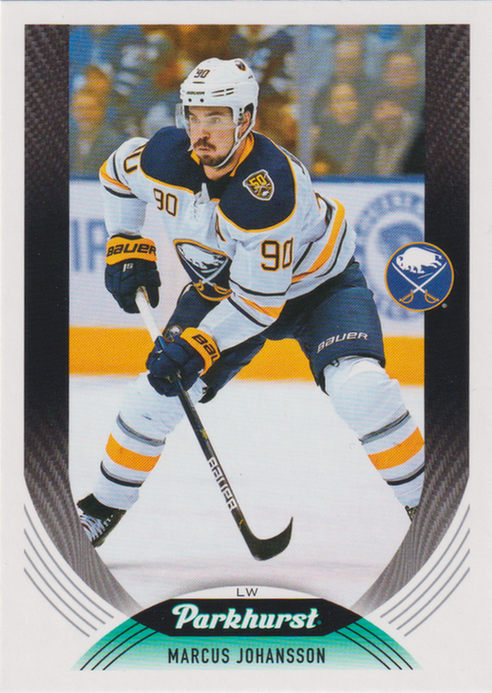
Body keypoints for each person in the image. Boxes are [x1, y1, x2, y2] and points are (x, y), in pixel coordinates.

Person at [76, 58, 425, 547]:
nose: (201, 132)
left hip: (319, 290)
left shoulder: (270, 189)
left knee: (360, 388)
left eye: (216, 117)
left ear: (246, 118)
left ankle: (429, 508)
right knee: (155, 394)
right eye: (194, 115)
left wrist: (200, 344)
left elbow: (260, 305)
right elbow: (116, 173)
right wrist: (124, 239)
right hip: (221, 292)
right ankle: (102, 507)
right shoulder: (165, 156)